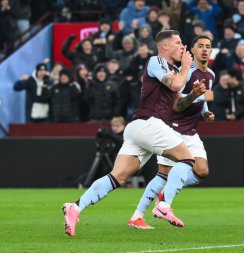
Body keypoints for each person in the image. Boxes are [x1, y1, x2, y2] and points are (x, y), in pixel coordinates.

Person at [62, 30, 206, 237]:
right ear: (165, 46)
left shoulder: (171, 69)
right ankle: (163, 205)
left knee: (117, 178)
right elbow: (175, 84)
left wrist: (194, 95)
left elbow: (178, 104)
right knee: (188, 159)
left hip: (139, 127)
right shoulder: (156, 61)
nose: (183, 46)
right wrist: (185, 67)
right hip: (149, 124)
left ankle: (75, 207)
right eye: (178, 42)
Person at [128, 35, 215, 229]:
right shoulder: (184, 72)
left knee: (201, 170)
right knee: (164, 174)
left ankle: (163, 197)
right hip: (174, 128)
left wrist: (205, 111)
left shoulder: (210, 74)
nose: (204, 50)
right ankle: (142, 213)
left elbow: (202, 97)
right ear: (190, 51)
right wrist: (200, 99)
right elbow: (177, 103)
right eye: (199, 46)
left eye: (208, 47)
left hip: (191, 130)